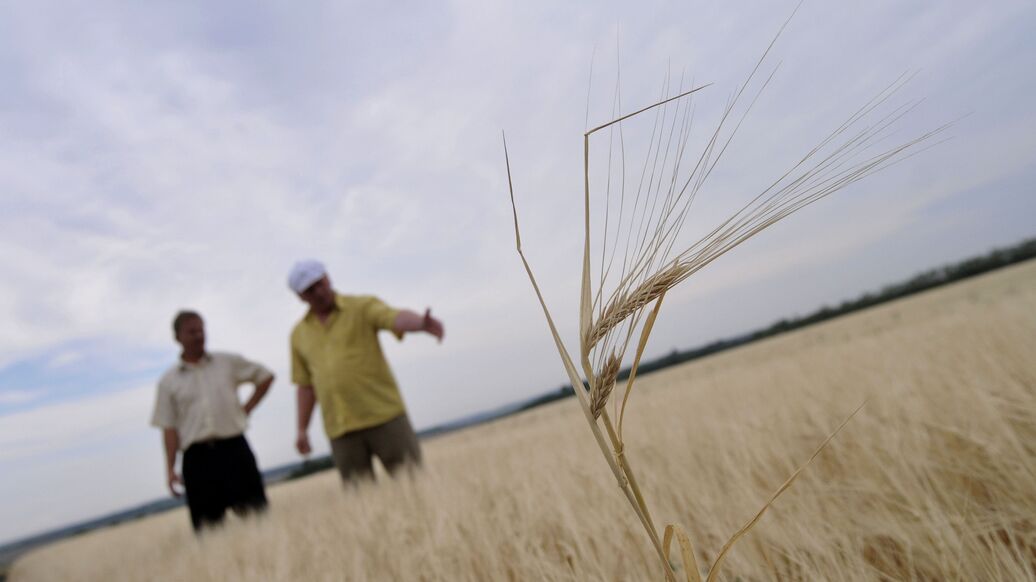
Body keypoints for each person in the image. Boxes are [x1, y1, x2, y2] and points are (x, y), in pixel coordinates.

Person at [288, 259, 444, 483]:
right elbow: (305, 385)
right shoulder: (298, 335)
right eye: (310, 290)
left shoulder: (361, 306)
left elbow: (392, 317)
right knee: (360, 501)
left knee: (415, 484)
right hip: (340, 428)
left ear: (327, 278)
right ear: (301, 297)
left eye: (320, 283)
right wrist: (302, 429)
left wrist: (420, 323)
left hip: (385, 416)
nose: (319, 292)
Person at [150, 310, 274, 531]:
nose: (198, 336)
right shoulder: (168, 382)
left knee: (259, 519)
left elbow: (265, 376)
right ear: (177, 338)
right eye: (191, 332)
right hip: (197, 461)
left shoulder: (227, 362)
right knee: (208, 530)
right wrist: (170, 469)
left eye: (201, 330)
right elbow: (168, 428)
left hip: (235, 450)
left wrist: (247, 409)